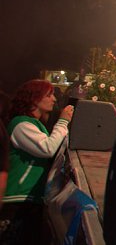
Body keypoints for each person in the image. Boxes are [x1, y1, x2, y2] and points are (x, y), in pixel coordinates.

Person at [1, 80, 74, 244]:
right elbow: (47, 148)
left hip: (29, 199)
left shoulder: (34, 124)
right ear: (34, 98)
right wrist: (63, 122)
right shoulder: (21, 124)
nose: (54, 99)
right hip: (17, 201)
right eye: (49, 95)